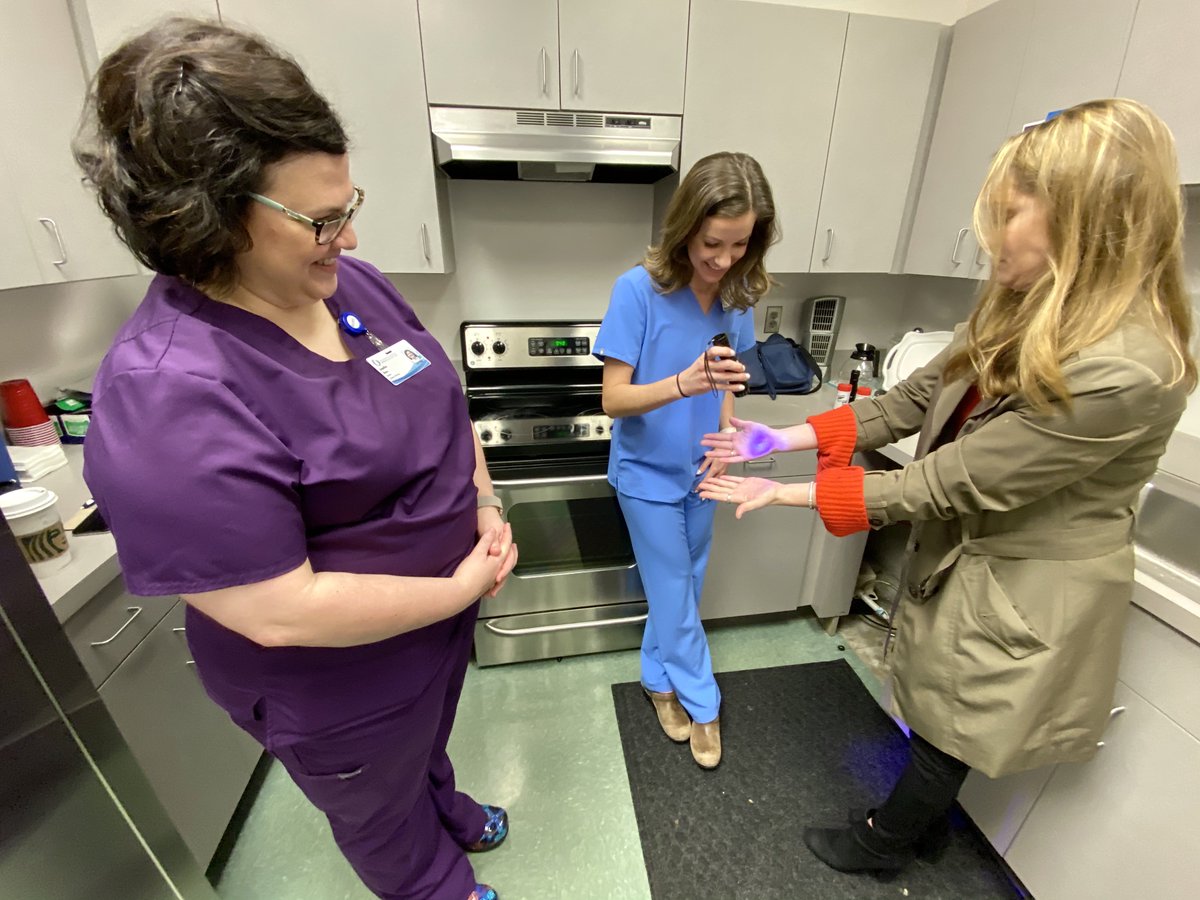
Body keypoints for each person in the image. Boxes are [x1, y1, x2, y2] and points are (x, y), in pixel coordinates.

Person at [74, 19, 516, 900]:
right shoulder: (170, 389)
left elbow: (441, 401)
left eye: (348, 208)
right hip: (337, 681)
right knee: (375, 806)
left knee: (424, 744)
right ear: (204, 218)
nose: (348, 240)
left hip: (432, 633)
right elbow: (280, 610)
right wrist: (463, 586)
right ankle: (433, 884)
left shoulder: (347, 283)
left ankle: (445, 802)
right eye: (321, 220)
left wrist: (487, 507)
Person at [698, 98, 1195, 872]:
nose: (991, 235)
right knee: (937, 715)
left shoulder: (1125, 365)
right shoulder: (1023, 307)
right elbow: (910, 403)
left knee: (955, 724)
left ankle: (884, 842)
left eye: (1010, 212)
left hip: (1022, 578)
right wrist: (778, 437)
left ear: (1085, 219)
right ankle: (920, 829)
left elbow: (945, 483)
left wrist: (787, 491)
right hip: (973, 553)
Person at [594, 151, 778, 769]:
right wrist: (682, 384)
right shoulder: (636, 291)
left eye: (740, 245)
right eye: (712, 244)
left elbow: (728, 380)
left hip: (703, 471)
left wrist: (727, 439)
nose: (724, 260)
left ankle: (656, 677)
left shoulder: (736, 294)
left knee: (685, 586)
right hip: (645, 474)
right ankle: (705, 704)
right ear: (685, 228)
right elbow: (614, 399)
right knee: (673, 589)